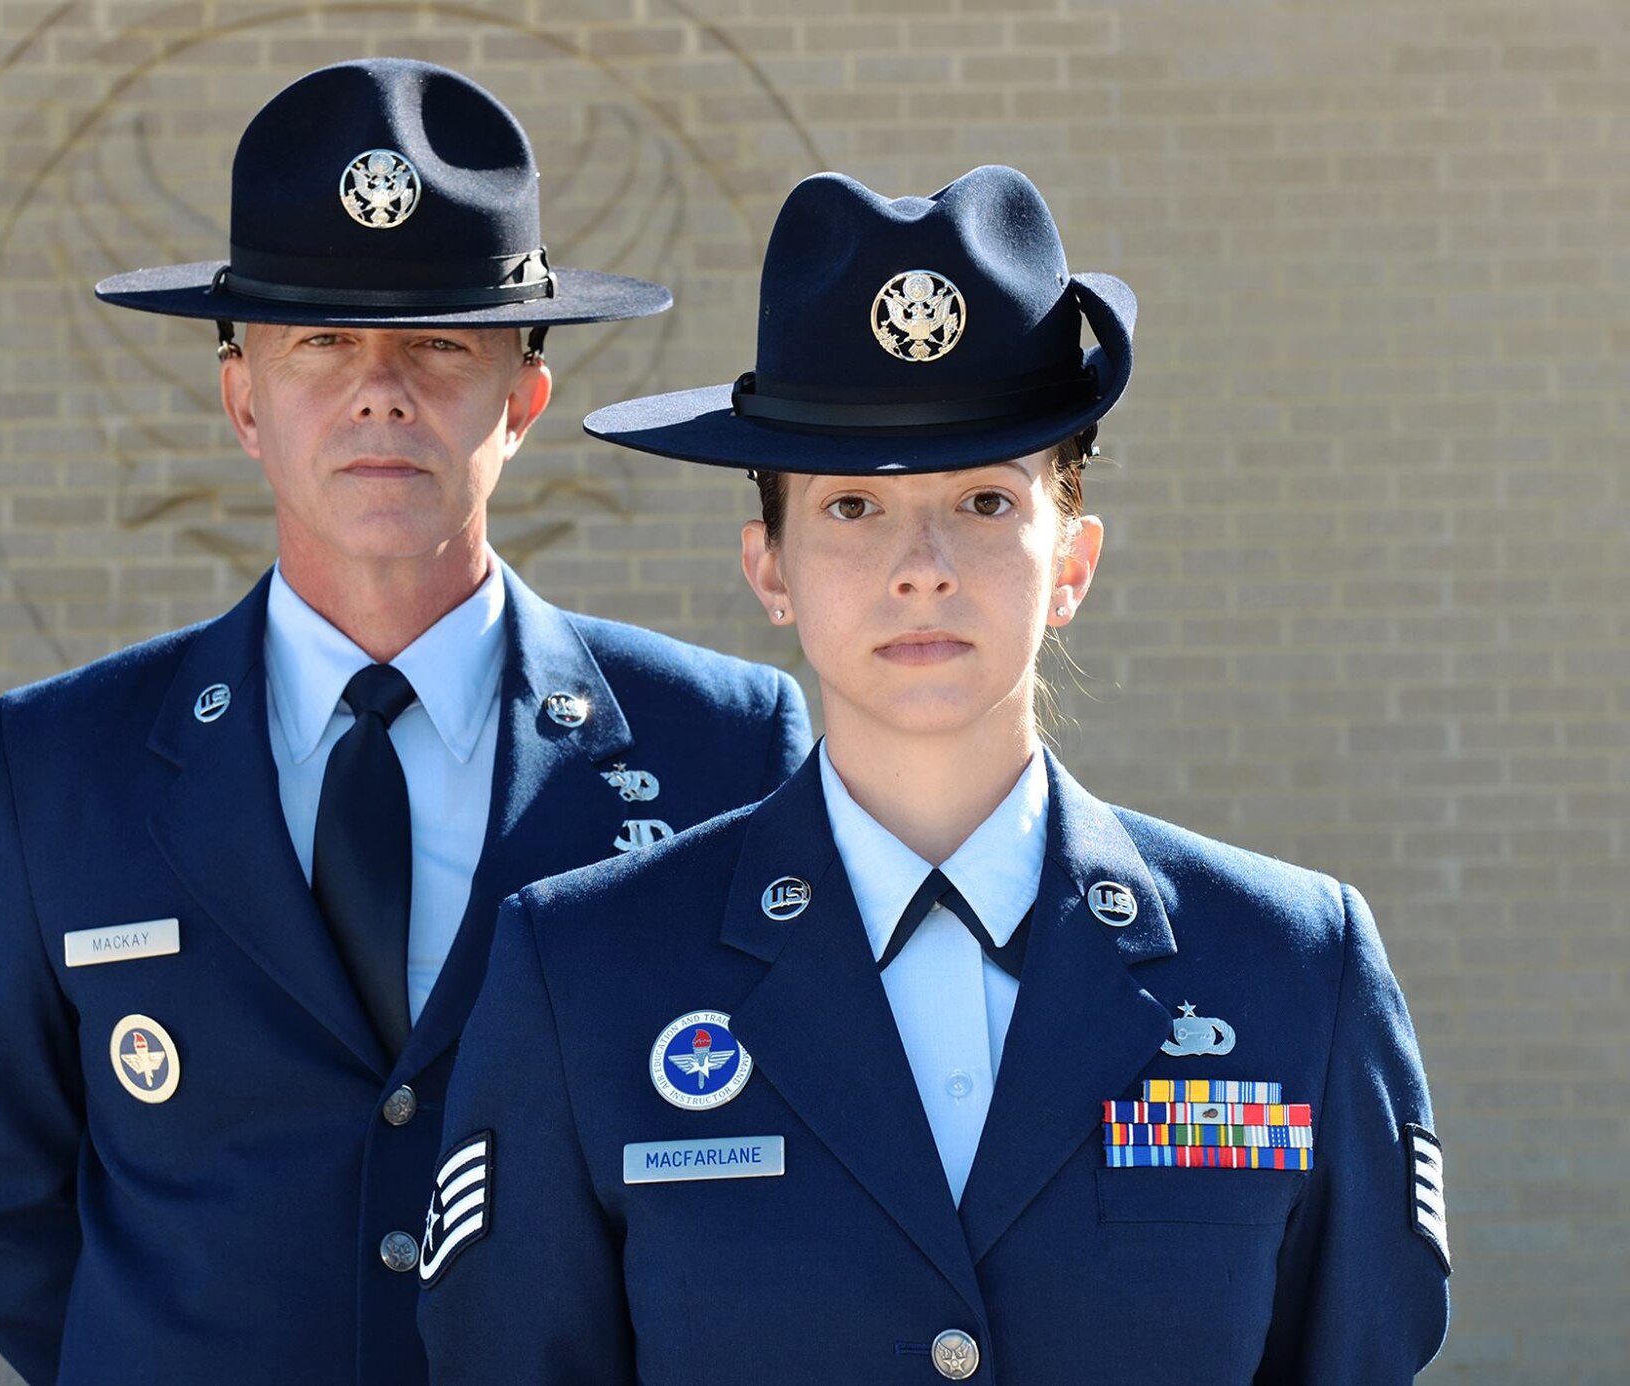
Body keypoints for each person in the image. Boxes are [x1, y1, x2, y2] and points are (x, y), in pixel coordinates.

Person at [418, 166, 1450, 1383]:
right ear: (770, 568)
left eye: (980, 500)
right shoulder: (583, 973)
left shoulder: (1290, 969)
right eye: (851, 504)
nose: (920, 565)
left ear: (1070, 561)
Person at [0, 59, 810, 1386]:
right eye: (321, 343)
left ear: (523, 400)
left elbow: (790, 1170)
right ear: (243, 403)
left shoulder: (721, 748)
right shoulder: (60, 768)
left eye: (440, 343)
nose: (379, 390)